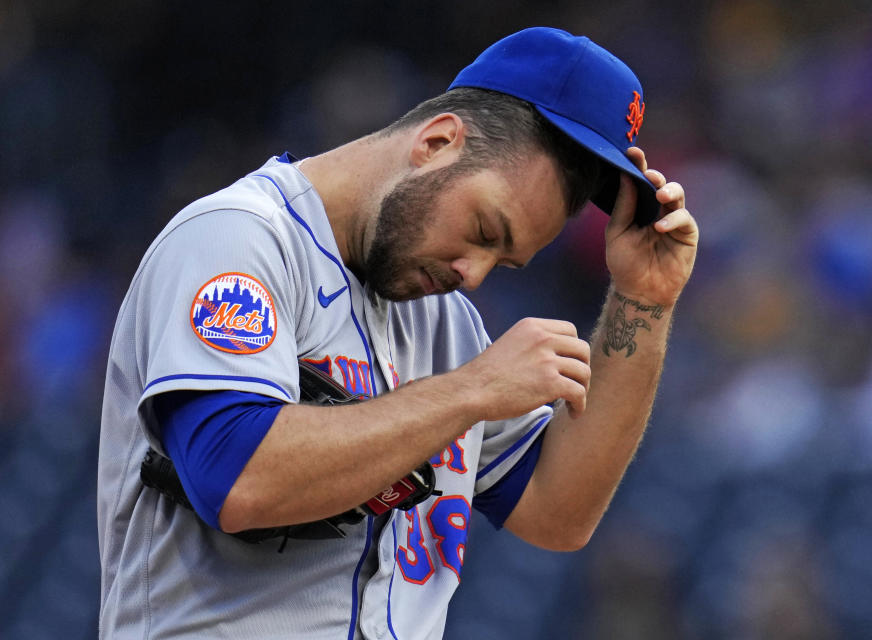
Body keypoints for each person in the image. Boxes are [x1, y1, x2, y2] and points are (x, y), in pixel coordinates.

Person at [97, 26, 698, 639]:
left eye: (504, 262)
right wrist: (472, 390)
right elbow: (237, 478)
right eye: (487, 230)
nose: (474, 275)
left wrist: (642, 301)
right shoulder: (240, 237)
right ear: (437, 142)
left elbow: (557, 512)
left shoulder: (444, 325)